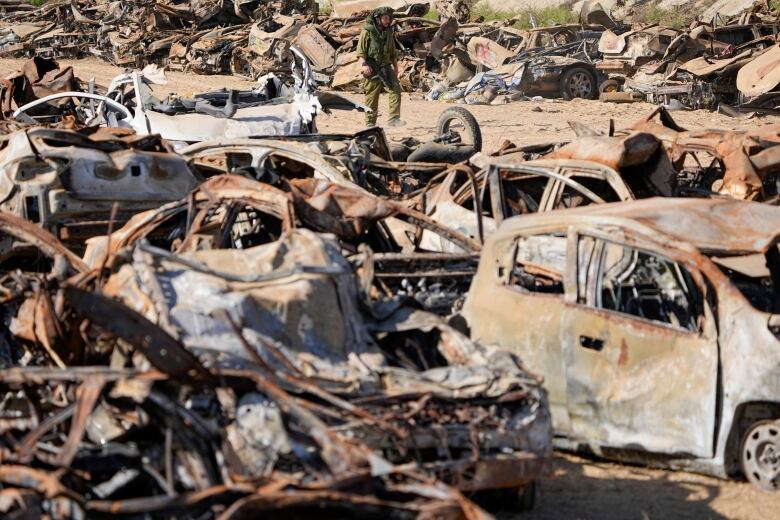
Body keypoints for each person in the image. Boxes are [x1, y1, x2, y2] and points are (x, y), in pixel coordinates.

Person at [356, 6, 405, 127]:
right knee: (372, 96)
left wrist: (396, 67)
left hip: (386, 66)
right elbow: (360, 53)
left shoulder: (388, 32)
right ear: (377, 19)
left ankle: (393, 119)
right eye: (385, 18)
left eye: (389, 18)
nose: (388, 21)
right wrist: (364, 65)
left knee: (395, 89)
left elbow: (393, 52)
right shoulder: (367, 32)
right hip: (372, 67)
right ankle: (370, 124)